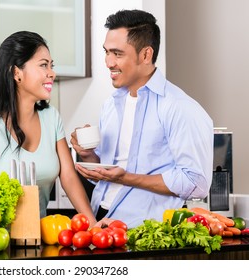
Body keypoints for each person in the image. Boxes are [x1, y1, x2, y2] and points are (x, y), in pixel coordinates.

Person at [70, 10, 214, 229]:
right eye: (106, 52)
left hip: (147, 233)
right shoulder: (111, 105)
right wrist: (89, 157)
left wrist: (126, 178)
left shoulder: (180, 107)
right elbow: (109, 175)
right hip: (102, 222)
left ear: (146, 55)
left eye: (117, 54)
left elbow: (196, 183)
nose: (108, 62)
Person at [0, 31, 96, 224]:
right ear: (17, 72)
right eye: (43, 65)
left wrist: (93, 224)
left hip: (39, 237)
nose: (52, 73)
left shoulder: (51, 117)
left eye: (51, 66)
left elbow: (68, 176)